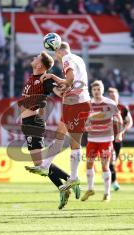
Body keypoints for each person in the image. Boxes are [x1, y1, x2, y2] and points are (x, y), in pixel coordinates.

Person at [26, 42, 91, 191]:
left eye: (56, 54)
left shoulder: (67, 59)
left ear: (59, 52)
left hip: (76, 103)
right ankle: (47, 167)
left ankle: (72, 177)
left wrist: (54, 77)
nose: (56, 57)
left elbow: (70, 80)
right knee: (61, 136)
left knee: (72, 141)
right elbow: (73, 82)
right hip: (77, 102)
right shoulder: (78, 58)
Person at [18, 51, 73, 209]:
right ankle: (64, 187)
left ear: (40, 65)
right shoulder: (33, 77)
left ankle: (70, 180)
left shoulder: (44, 79)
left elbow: (57, 91)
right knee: (40, 164)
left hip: (33, 122)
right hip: (29, 122)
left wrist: (60, 89)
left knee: (40, 164)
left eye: (36, 58)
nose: (33, 58)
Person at [81, 80, 123, 202]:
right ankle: (90, 189)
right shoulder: (88, 104)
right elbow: (84, 120)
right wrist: (85, 126)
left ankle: (107, 193)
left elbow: (118, 118)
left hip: (106, 139)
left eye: (98, 89)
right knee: (89, 164)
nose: (96, 91)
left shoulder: (109, 103)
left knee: (105, 165)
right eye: (94, 89)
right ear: (91, 91)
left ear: (102, 90)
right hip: (92, 139)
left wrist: (119, 133)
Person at [108, 87, 133, 191]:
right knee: (110, 161)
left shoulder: (123, 108)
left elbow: (130, 122)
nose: (113, 96)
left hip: (118, 139)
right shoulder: (106, 107)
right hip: (107, 138)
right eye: (111, 95)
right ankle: (113, 183)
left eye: (114, 95)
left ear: (118, 95)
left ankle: (111, 181)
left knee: (112, 162)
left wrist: (121, 132)